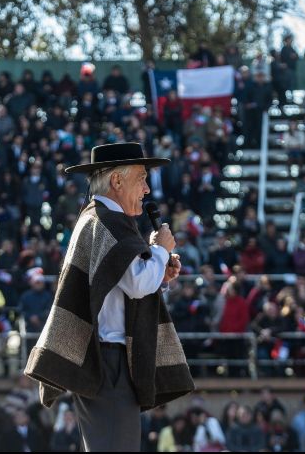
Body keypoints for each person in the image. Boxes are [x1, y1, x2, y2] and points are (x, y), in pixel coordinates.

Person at [25, 142, 194, 451]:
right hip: (110, 362)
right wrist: (160, 250)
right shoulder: (105, 220)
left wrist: (161, 274)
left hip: (108, 360)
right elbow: (137, 284)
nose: (146, 189)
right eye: (141, 178)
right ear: (117, 181)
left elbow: (122, 285)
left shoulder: (100, 218)